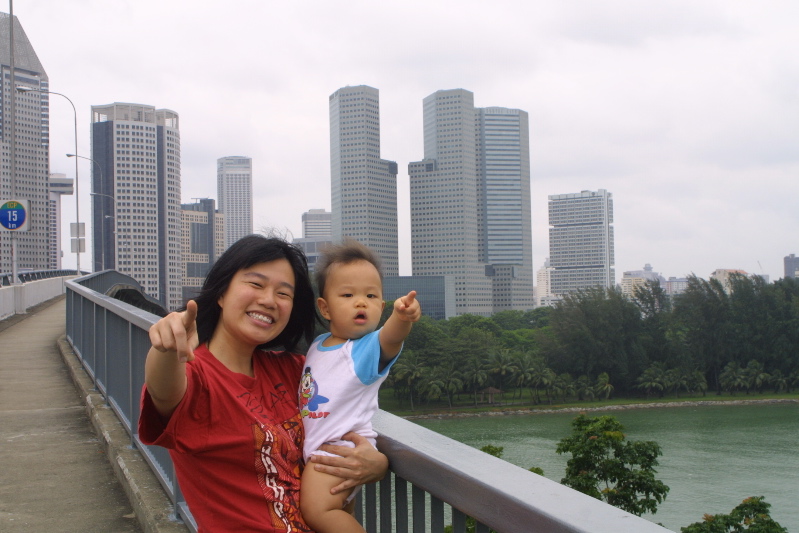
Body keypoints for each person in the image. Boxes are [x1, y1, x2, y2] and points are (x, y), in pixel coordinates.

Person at [139, 235, 388, 533]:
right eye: (255, 285)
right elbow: (163, 390)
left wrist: (377, 465)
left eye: (284, 294)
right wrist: (166, 349)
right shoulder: (199, 377)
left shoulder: (297, 370)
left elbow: (349, 415)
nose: (269, 301)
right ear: (221, 292)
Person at [299, 240, 421, 533]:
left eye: (370, 295)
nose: (360, 301)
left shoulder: (363, 351)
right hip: (323, 451)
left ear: (381, 307)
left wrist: (401, 318)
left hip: (339, 452)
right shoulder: (318, 345)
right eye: (348, 294)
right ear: (325, 308)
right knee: (340, 516)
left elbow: (390, 338)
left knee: (317, 511)